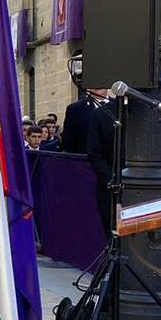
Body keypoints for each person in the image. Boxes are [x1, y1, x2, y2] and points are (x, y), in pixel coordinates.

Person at [86, 93, 122, 240]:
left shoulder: (143, 113)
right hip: (110, 188)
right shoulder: (101, 114)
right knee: (112, 235)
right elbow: (94, 152)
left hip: (140, 187)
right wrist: (111, 178)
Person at [62, 87, 108, 155]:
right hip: (85, 162)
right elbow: (68, 143)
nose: (97, 84)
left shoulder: (119, 106)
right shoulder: (75, 109)